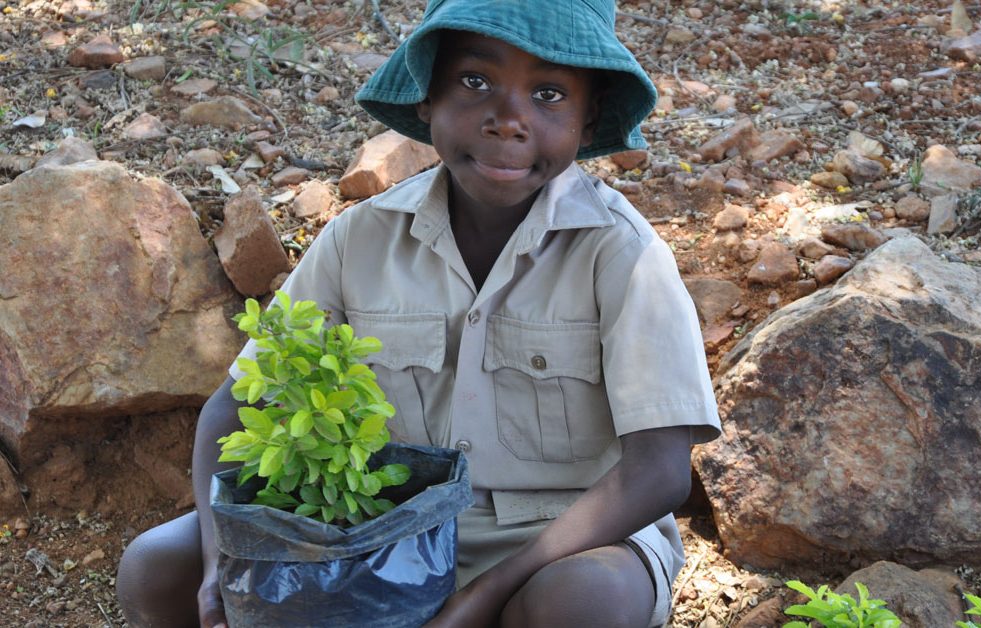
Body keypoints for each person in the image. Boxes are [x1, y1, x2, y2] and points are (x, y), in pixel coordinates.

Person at [117, 0, 721, 626]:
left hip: (562, 538)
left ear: (588, 120)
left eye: (548, 94)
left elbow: (659, 472)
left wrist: (482, 595)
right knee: (156, 567)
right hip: (385, 528)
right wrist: (221, 565)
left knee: (581, 602)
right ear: (427, 96)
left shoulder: (621, 253)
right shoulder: (361, 238)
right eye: (475, 81)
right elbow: (232, 408)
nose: (508, 120)